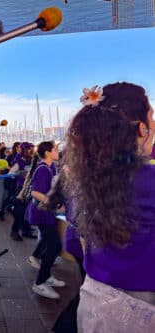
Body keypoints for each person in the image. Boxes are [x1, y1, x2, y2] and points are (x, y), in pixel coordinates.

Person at [64, 83, 155, 331]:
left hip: (95, 305)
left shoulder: (84, 181)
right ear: (141, 128)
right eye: (152, 116)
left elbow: (77, 241)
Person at [25, 141, 64, 299]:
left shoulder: (51, 167)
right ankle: (40, 282)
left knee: (52, 245)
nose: (58, 151)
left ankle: (46, 276)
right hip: (41, 212)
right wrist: (53, 204)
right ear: (47, 152)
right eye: (55, 149)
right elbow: (35, 192)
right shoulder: (43, 169)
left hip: (47, 212)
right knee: (54, 246)